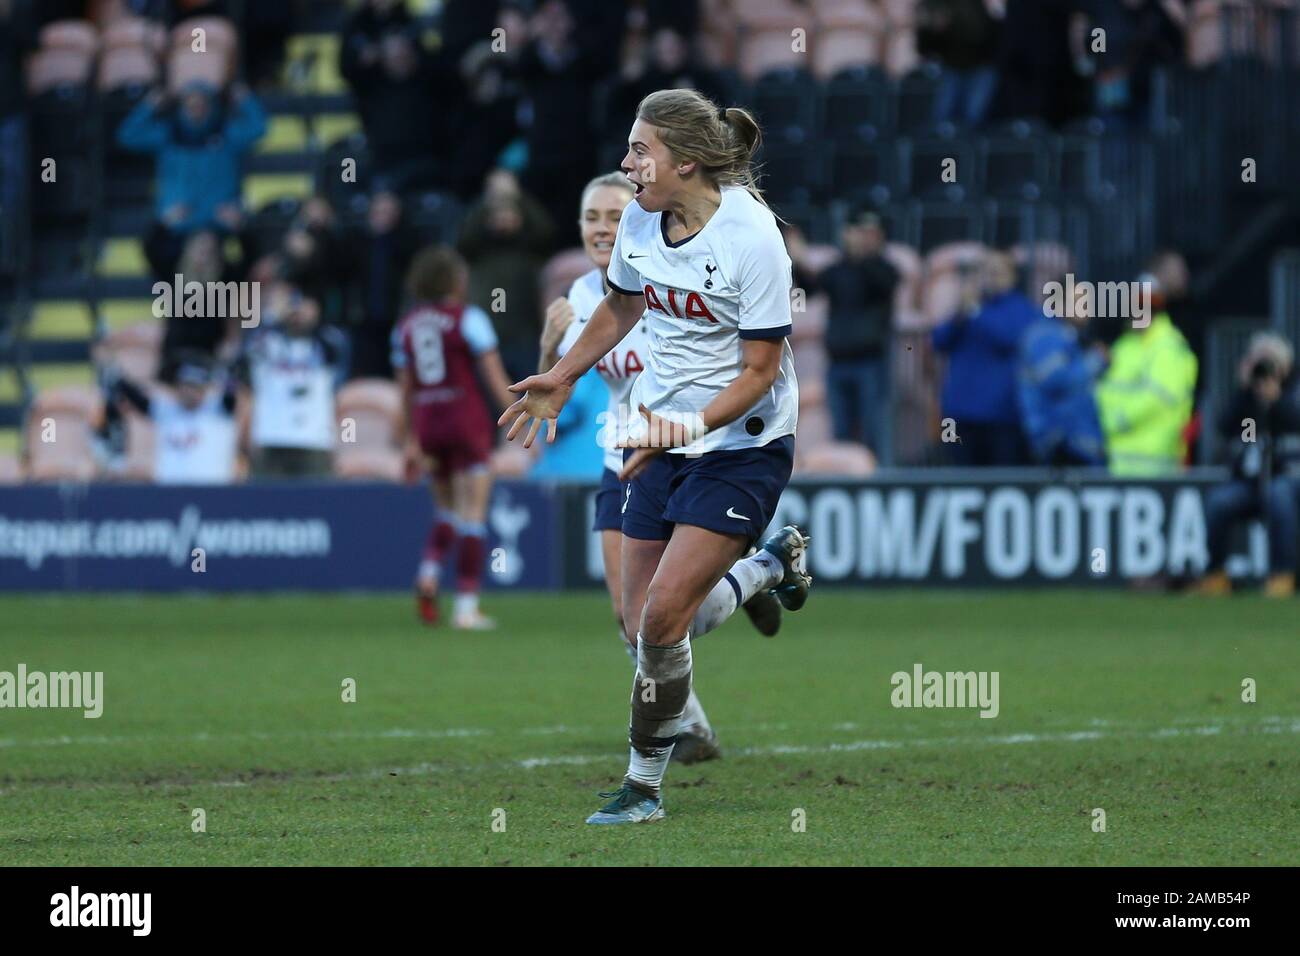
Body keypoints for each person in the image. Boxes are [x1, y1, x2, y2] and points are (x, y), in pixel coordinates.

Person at [500, 89, 813, 825]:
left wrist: (682, 429)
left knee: (665, 617)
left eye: (641, 150)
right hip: (655, 438)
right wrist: (563, 374)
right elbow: (621, 307)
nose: (626, 164)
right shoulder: (643, 217)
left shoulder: (753, 237)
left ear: (687, 160)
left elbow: (760, 372)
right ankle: (769, 566)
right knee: (641, 619)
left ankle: (642, 788)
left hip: (742, 445)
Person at [537, 170, 786, 765]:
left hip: (696, 449)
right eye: (590, 216)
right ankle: (693, 727)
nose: (602, 226)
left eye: (611, 214)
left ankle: (758, 572)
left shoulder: (670, 271)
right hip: (621, 457)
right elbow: (563, 378)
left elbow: (733, 359)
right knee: (634, 621)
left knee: (665, 613)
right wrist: (548, 355)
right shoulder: (576, 298)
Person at [393, 246, 514, 630]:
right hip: (465, 420)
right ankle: (466, 607)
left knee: (445, 509)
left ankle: (429, 572)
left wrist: (410, 438)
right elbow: (494, 377)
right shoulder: (469, 319)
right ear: (454, 280)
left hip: (429, 424)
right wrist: (519, 417)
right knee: (473, 514)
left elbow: (406, 389)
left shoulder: (406, 327)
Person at [1191, 334, 1300, 598]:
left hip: (1289, 478)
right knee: (1219, 501)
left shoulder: (1294, 392)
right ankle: (1216, 575)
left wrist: (1276, 400)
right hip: (1252, 481)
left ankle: (1283, 575)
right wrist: (1245, 393)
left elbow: (1293, 422)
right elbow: (1228, 427)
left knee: (1279, 497)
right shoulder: (1249, 397)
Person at [788, 210, 899, 463]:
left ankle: (881, 480)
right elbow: (809, 288)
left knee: (875, 428)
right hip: (838, 362)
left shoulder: (885, 268)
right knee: (841, 430)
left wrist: (862, 255)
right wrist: (799, 260)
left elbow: (881, 284)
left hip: (871, 362)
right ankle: (845, 478)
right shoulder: (838, 269)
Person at [116, 81, 267, 235]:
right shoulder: (167, 134)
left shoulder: (227, 133)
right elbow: (127, 136)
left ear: (212, 108)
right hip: (177, 225)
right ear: (182, 109)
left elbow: (259, 128)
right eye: (191, 106)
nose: (197, 110)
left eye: (202, 105)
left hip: (221, 225)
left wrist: (246, 99)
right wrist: (149, 105)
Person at [932, 250, 1037, 466]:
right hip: (960, 412)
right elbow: (939, 341)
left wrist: (975, 312)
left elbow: (1007, 338)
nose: (989, 278)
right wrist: (961, 313)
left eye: (996, 272)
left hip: (1002, 416)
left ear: (1012, 277)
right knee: (962, 477)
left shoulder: (1022, 309)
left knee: (1000, 478)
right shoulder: (970, 309)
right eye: (985, 272)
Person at [239, 285, 350, 478]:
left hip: (315, 442)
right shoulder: (267, 344)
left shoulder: (326, 344)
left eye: (304, 304)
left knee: (317, 505)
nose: (297, 310)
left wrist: (314, 319)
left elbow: (339, 350)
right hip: (270, 440)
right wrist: (271, 316)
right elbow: (243, 352)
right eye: (292, 304)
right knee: (263, 505)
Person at [1095, 276, 1197, 475]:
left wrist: (1116, 419)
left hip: (1155, 463)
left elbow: (1156, 399)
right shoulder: (1124, 345)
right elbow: (1105, 389)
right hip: (1117, 462)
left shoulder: (1169, 347)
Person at [103, 355, 239, 484]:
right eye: (185, 385)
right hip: (170, 490)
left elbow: (230, 396)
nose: (189, 391)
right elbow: (140, 401)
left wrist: (231, 376)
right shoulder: (167, 411)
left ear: (204, 389)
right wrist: (118, 378)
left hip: (212, 489)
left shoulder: (217, 409)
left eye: (194, 386)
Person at [1017, 282, 1107, 466]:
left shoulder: (1067, 335)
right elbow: (1056, 381)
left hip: (1074, 442)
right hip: (1062, 442)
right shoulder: (1046, 335)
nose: (1086, 308)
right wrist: (1096, 360)